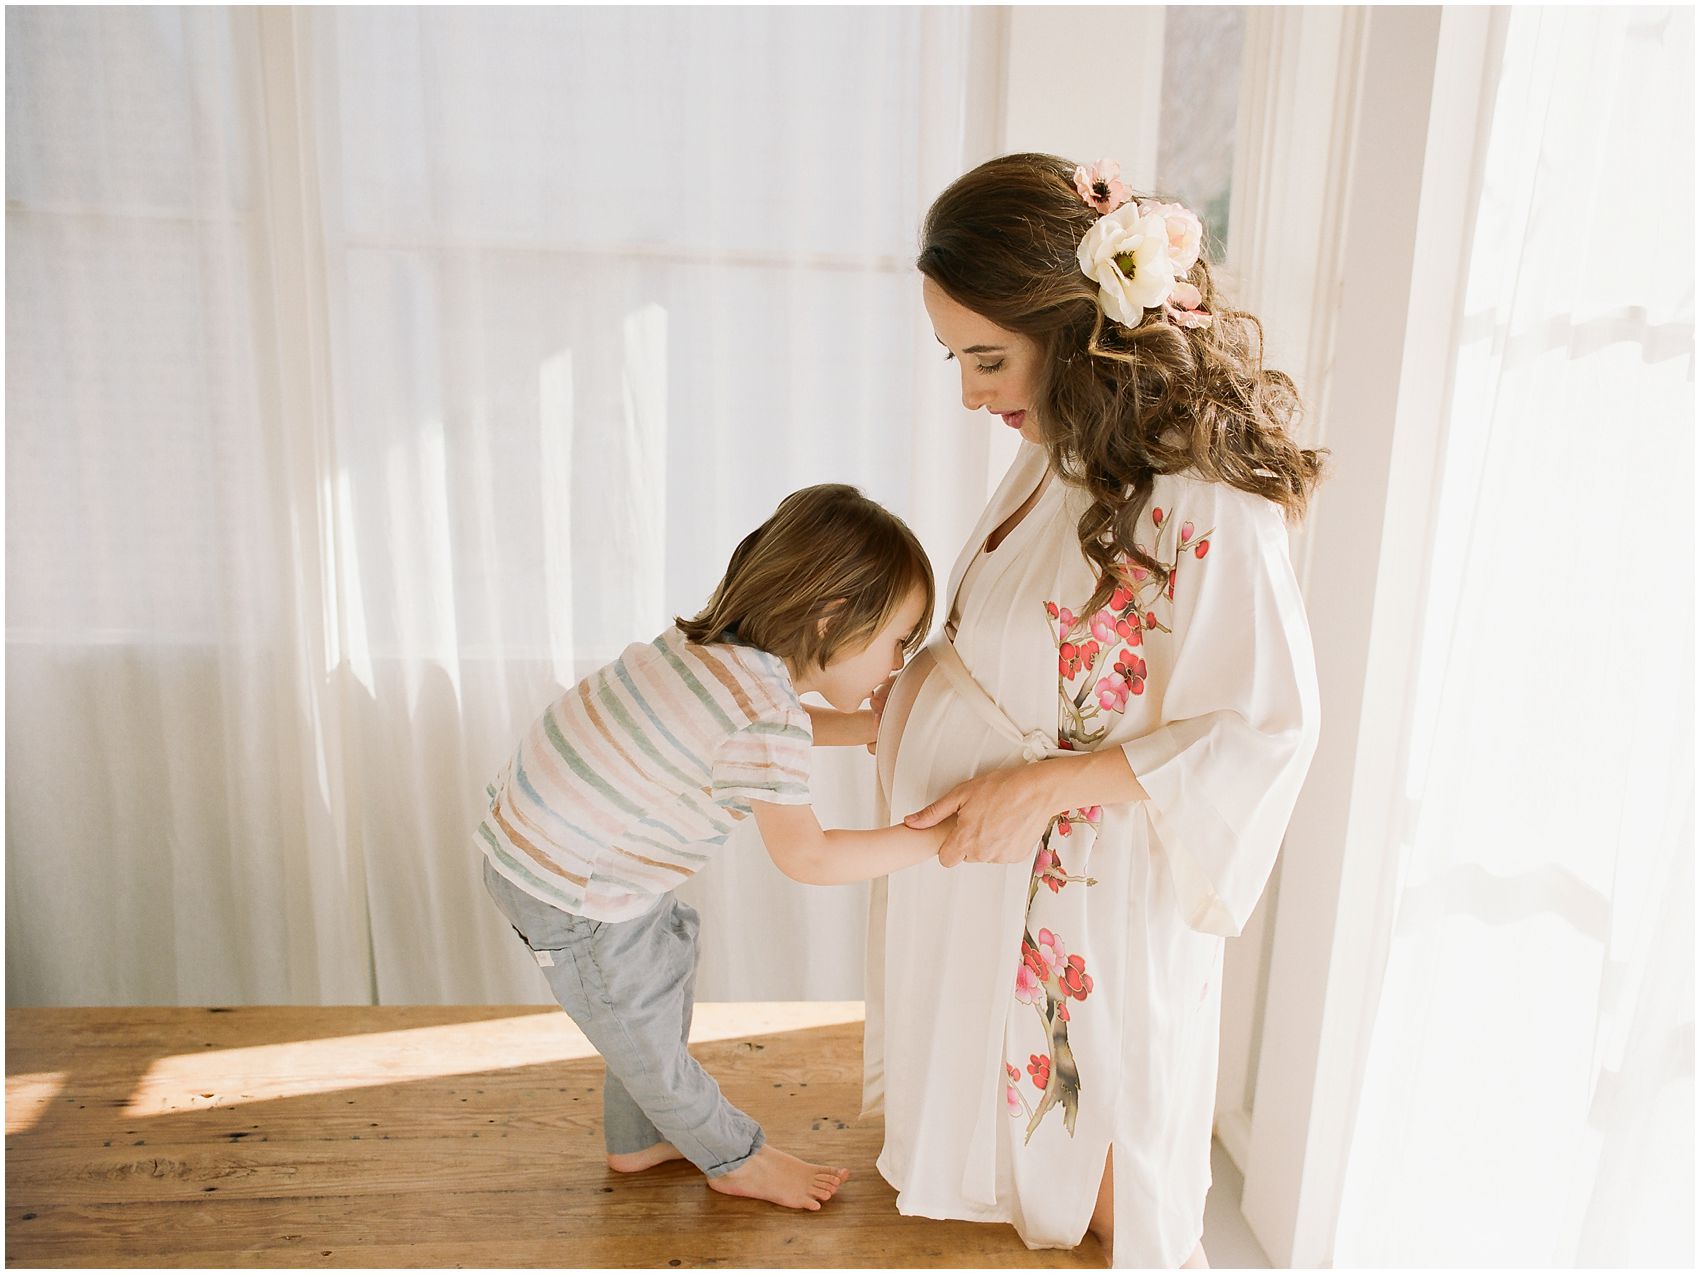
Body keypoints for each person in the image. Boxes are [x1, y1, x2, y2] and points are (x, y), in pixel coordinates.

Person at [862, 154, 1324, 1267]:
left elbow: (1264, 723)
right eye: (955, 359)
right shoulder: (1070, 447)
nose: (970, 392)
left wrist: (1034, 787)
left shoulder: (1203, 493)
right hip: (996, 865)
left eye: (986, 357)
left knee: (1103, 1208)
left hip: (1088, 891)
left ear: (1075, 329)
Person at [479, 483, 950, 1212]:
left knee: (660, 965)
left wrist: (861, 730)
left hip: (552, 854)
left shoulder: (715, 657)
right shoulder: (765, 711)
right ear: (831, 617)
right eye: (897, 642)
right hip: (572, 891)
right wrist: (938, 839)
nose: (896, 665)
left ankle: (637, 1141)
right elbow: (811, 857)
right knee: (639, 1027)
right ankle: (733, 1157)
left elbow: (758, 737)